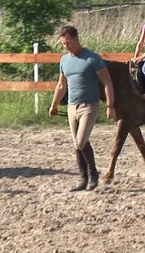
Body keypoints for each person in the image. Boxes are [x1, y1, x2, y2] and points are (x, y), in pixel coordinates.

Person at [48, 26, 116, 192]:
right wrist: (54, 104)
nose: (66, 46)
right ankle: (83, 178)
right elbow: (61, 85)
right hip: (72, 105)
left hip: (89, 105)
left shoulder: (92, 58)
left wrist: (110, 105)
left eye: (68, 42)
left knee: (80, 141)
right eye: (63, 43)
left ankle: (93, 173)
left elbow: (107, 82)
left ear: (76, 39)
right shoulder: (64, 60)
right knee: (77, 144)